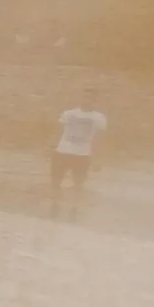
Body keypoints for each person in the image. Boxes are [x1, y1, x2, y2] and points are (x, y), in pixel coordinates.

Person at [50, 87, 107, 217]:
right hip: (63, 151)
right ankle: (55, 206)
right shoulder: (68, 114)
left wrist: (97, 158)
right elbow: (58, 132)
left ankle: (73, 209)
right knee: (56, 181)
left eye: (90, 98)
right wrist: (52, 147)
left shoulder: (99, 118)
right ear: (80, 97)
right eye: (85, 96)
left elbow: (99, 140)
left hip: (82, 154)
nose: (87, 100)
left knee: (78, 184)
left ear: (95, 100)